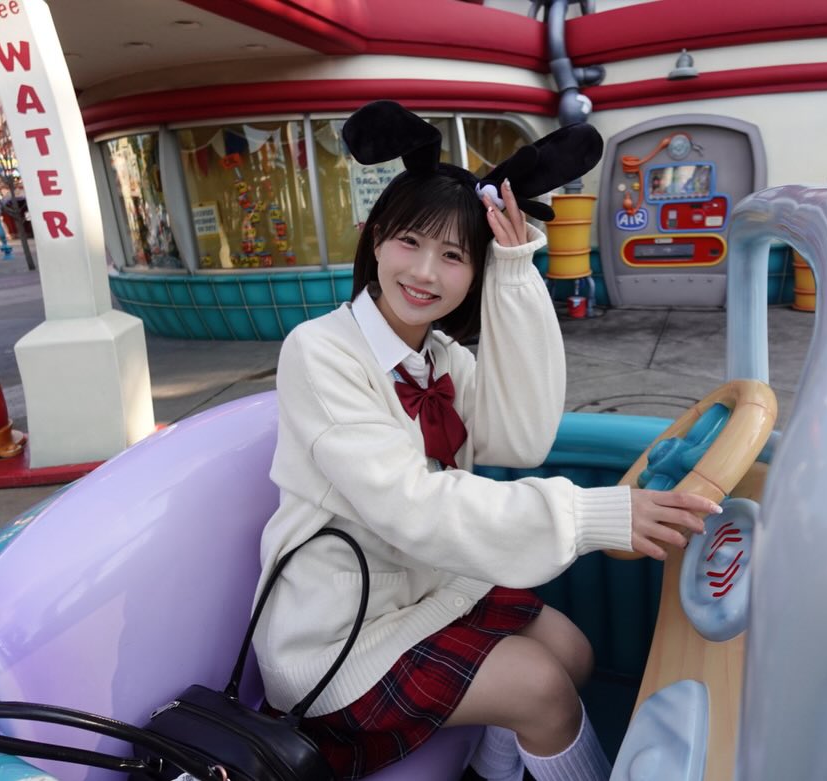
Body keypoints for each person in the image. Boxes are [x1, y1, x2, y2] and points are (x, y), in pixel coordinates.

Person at [253, 101, 721, 781]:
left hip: (429, 589)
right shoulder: (319, 351)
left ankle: (490, 773)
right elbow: (411, 504)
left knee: (574, 651)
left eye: (453, 256)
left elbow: (524, 437)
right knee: (541, 686)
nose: (425, 273)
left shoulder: (442, 358)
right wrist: (592, 515)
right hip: (337, 635)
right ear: (375, 238)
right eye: (409, 242)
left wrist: (514, 268)